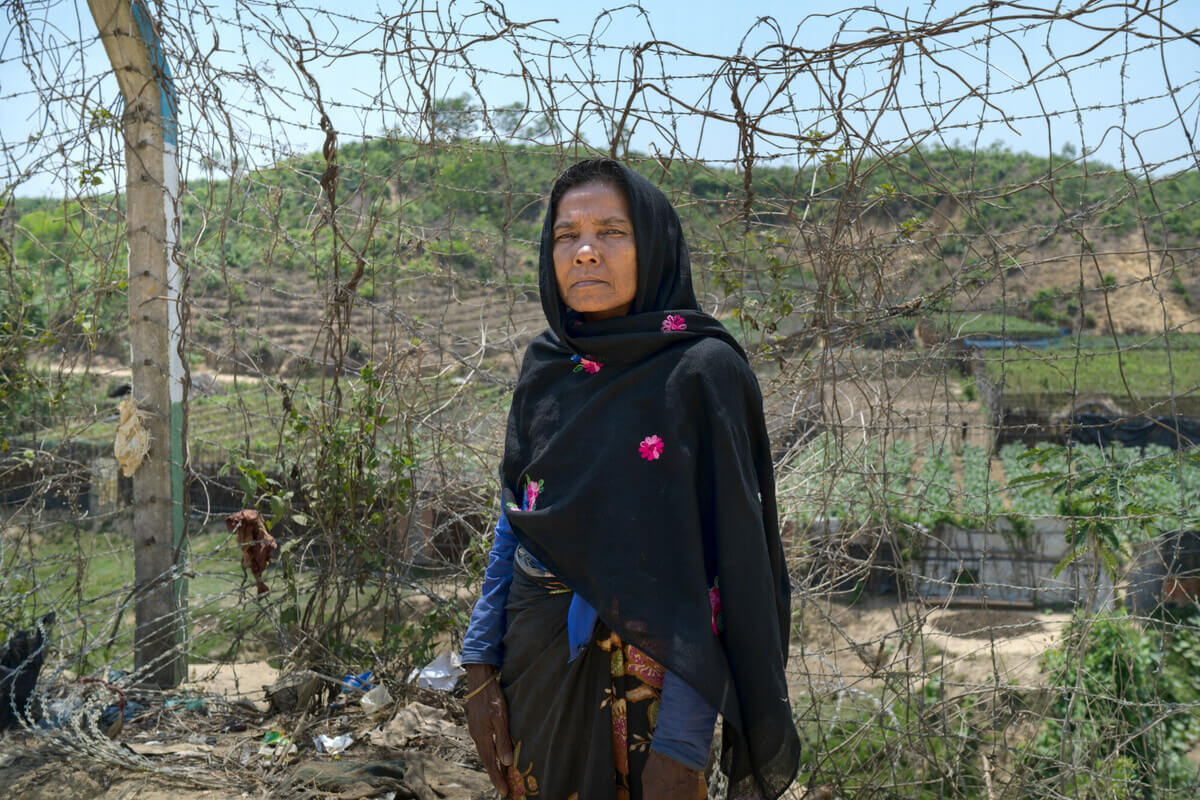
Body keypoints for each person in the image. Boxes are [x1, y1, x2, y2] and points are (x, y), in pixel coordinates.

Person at [460, 157, 799, 799]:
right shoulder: (549, 367)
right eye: (567, 235)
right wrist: (480, 663)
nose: (585, 252)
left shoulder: (702, 374)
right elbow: (519, 518)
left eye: (611, 232)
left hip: (657, 699)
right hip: (535, 673)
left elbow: (723, 575)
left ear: (655, 246)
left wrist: (682, 743)